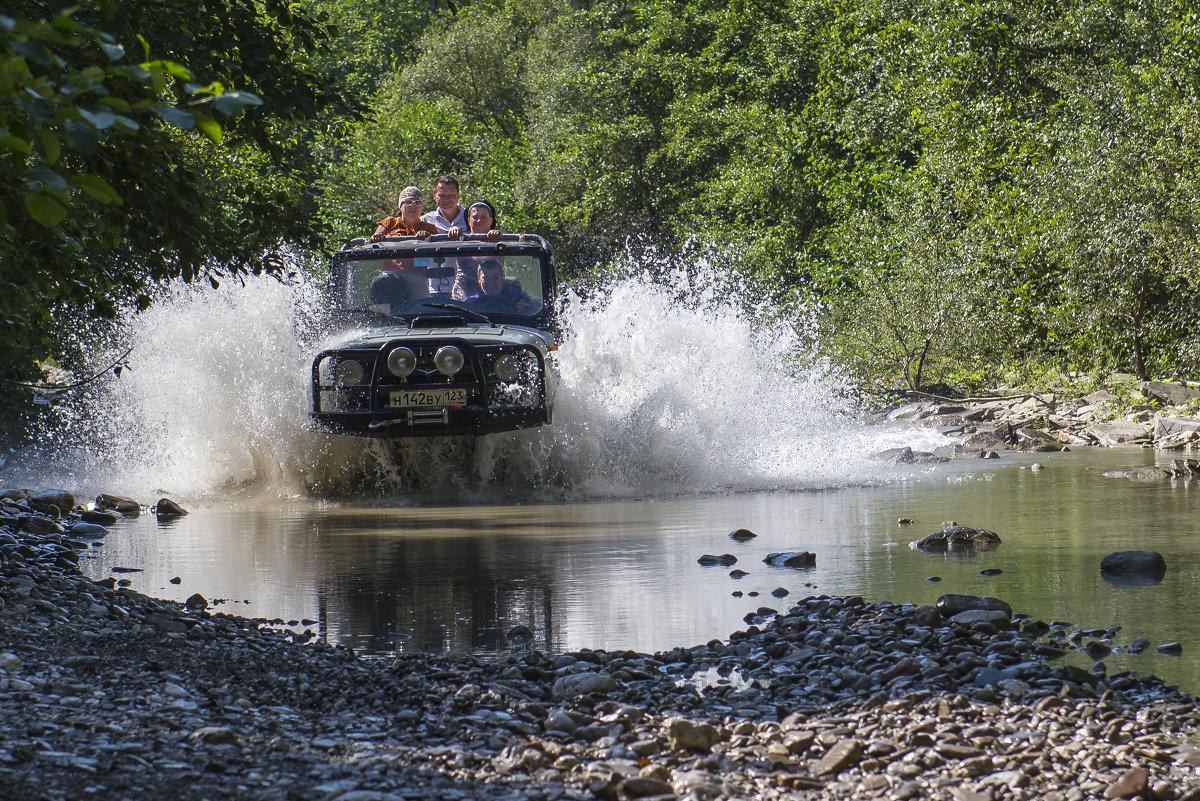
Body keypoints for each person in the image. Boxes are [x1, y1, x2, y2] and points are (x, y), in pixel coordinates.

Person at [449, 200, 503, 300]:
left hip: (492, 289)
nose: (478, 221)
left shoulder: (499, 240)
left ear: (490, 221)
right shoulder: (461, 239)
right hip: (463, 293)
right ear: (468, 220)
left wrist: (498, 235)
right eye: (475, 217)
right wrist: (453, 230)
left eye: (483, 217)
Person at [466, 258, 539, 313]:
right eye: (486, 278)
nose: (490, 282)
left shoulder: (518, 297)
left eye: (495, 277)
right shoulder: (471, 302)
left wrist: (526, 309)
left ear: (502, 278)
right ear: (479, 280)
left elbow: (537, 308)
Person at [370, 186, 437, 241]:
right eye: (408, 202)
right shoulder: (389, 223)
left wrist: (427, 239)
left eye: (417, 202)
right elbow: (374, 240)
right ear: (400, 206)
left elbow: (438, 249)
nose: (413, 206)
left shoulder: (430, 228)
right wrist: (378, 237)